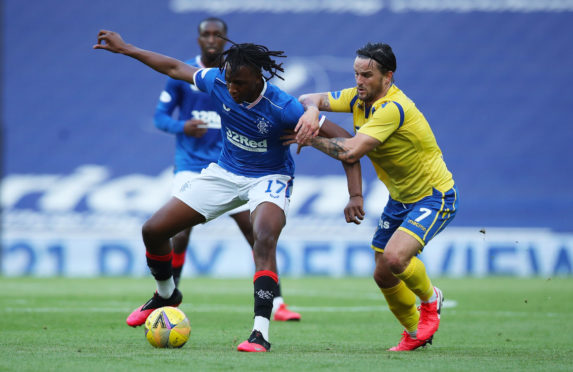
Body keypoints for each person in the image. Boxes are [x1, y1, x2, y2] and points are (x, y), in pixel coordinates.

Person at [93, 30, 364, 352]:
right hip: (224, 173)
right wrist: (127, 49)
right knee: (153, 230)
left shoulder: (284, 108)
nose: (232, 88)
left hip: (269, 178)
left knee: (263, 237)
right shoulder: (219, 82)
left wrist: (355, 195)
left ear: (258, 79)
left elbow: (348, 145)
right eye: (230, 81)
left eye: (240, 83)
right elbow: (174, 68)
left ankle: (260, 332)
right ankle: (166, 294)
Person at [290, 42, 459, 351]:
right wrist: (313, 112)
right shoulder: (358, 97)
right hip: (400, 199)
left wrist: (309, 138)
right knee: (383, 274)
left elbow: (352, 149)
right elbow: (307, 97)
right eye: (356, 74)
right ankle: (414, 332)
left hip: (434, 195)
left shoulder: (392, 108)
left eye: (366, 75)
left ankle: (431, 299)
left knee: (395, 258)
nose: (359, 82)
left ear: (387, 77)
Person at [154, 17, 300, 321]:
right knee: (177, 233)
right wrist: (182, 126)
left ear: (224, 39)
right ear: (198, 40)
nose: (211, 39)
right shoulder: (204, 78)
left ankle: (277, 302)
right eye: (205, 34)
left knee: (258, 233)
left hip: (236, 164)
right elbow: (160, 118)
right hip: (194, 165)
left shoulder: (240, 75)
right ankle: (168, 297)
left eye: (216, 34)